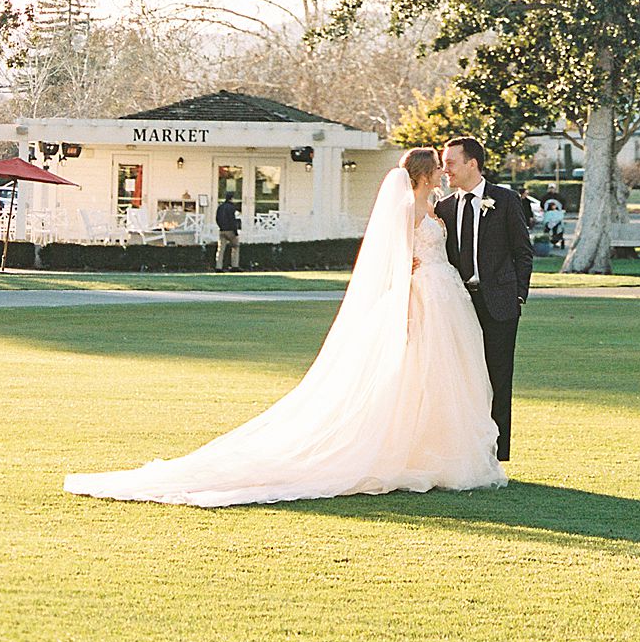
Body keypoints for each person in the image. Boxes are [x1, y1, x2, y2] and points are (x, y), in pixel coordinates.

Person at [65, 149, 503, 506]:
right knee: (416, 373)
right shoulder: (408, 209)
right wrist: (409, 299)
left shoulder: (432, 205)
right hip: (424, 298)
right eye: (439, 168)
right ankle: (412, 452)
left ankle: (434, 449)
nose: (445, 173)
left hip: (446, 298)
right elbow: (396, 260)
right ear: (427, 173)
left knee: (440, 378)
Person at [436, 135, 534, 464]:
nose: (444, 169)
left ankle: (496, 455)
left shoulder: (505, 200)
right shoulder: (444, 208)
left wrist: (518, 294)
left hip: (500, 304)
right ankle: (467, 450)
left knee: (498, 378)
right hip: (458, 306)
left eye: (450, 162)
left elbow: (523, 251)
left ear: (472, 164)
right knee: (463, 378)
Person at [214, 190, 241, 272]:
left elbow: (217, 218)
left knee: (221, 249)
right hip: (230, 230)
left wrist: (220, 226)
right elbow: (232, 220)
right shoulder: (232, 207)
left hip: (222, 230)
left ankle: (218, 267)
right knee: (235, 247)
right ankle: (234, 266)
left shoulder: (220, 207)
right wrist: (235, 232)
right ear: (231, 198)